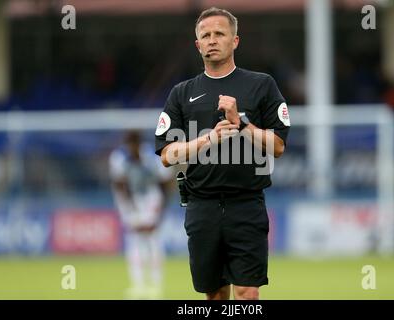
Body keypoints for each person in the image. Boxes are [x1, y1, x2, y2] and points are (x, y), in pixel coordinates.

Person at [154, 7, 290, 300]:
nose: (212, 40)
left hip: (247, 204)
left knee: (247, 293)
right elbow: (167, 154)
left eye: (219, 34)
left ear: (235, 41)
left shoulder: (261, 85)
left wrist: (241, 123)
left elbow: (278, 146)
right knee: (215, 295)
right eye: (206, 35)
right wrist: (206, 140)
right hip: (202, 205)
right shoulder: (181, 93)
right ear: (198, 44)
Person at [109, 130, 173, 299]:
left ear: (139, 145)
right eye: (129, 146)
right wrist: (128, 210)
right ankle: (138, 285)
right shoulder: (119, 158)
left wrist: (160, 212)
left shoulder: (152, 157)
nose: (132, 149)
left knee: (153, 240)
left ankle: (156, 285)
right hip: (132, 201)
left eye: (134, 145)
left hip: (152, 199)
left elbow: (166, 183)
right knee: (134, 241)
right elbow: (119, 185)